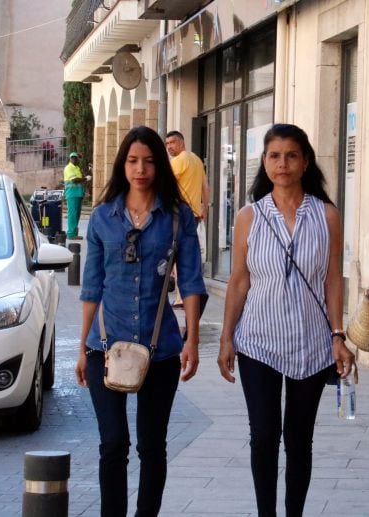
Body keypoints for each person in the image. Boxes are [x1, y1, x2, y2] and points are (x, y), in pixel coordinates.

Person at [217, 123, 354, 517]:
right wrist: (227, 337)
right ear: (264, 162)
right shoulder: (249, 216)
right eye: (274, 156)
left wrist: (338, 334)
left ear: (305, 161)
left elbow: (332, 278)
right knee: (263, 435)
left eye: (291, 155)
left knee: (299, 439)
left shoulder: (326, 215)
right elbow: (239, 281)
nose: (283, 164)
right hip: (258, 340)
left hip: (312, 343)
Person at [75, 125, 206, 517]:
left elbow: (194, 282)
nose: (141, 169)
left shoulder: (179, 218)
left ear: (161, 165)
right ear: (123, 165)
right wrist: (83, 348)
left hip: (160, 348)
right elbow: (91, 287)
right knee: (113, 443)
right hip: (105, 343)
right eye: (133, 161)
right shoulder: (102, 218)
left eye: (150, 161)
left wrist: (192, 340)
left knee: (152, 445)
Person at [165, 130, 210, 308]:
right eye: (167, 144)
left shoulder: (179, 160)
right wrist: (204, 208)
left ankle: (180, 295)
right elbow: (205, 187)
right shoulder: (197, 160)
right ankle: (188, 293)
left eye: (173, 143)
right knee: (188, 253)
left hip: (178, 213)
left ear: (182, 143)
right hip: (194, 214)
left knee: (177, 252)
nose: (169, 147)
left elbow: (169, 184)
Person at [64, 152, 85, 240]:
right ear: (70, 159)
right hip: (72, 194)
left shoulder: (77, 168)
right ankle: (71, 234)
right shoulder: (69, 168)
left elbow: (79, 181)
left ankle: (74, 233)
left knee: (76, 214)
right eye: (72, 158)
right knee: (72, 214)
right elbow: (75, 180)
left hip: (78, 194)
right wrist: (85, 178)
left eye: (75, 158)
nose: (74, 159)